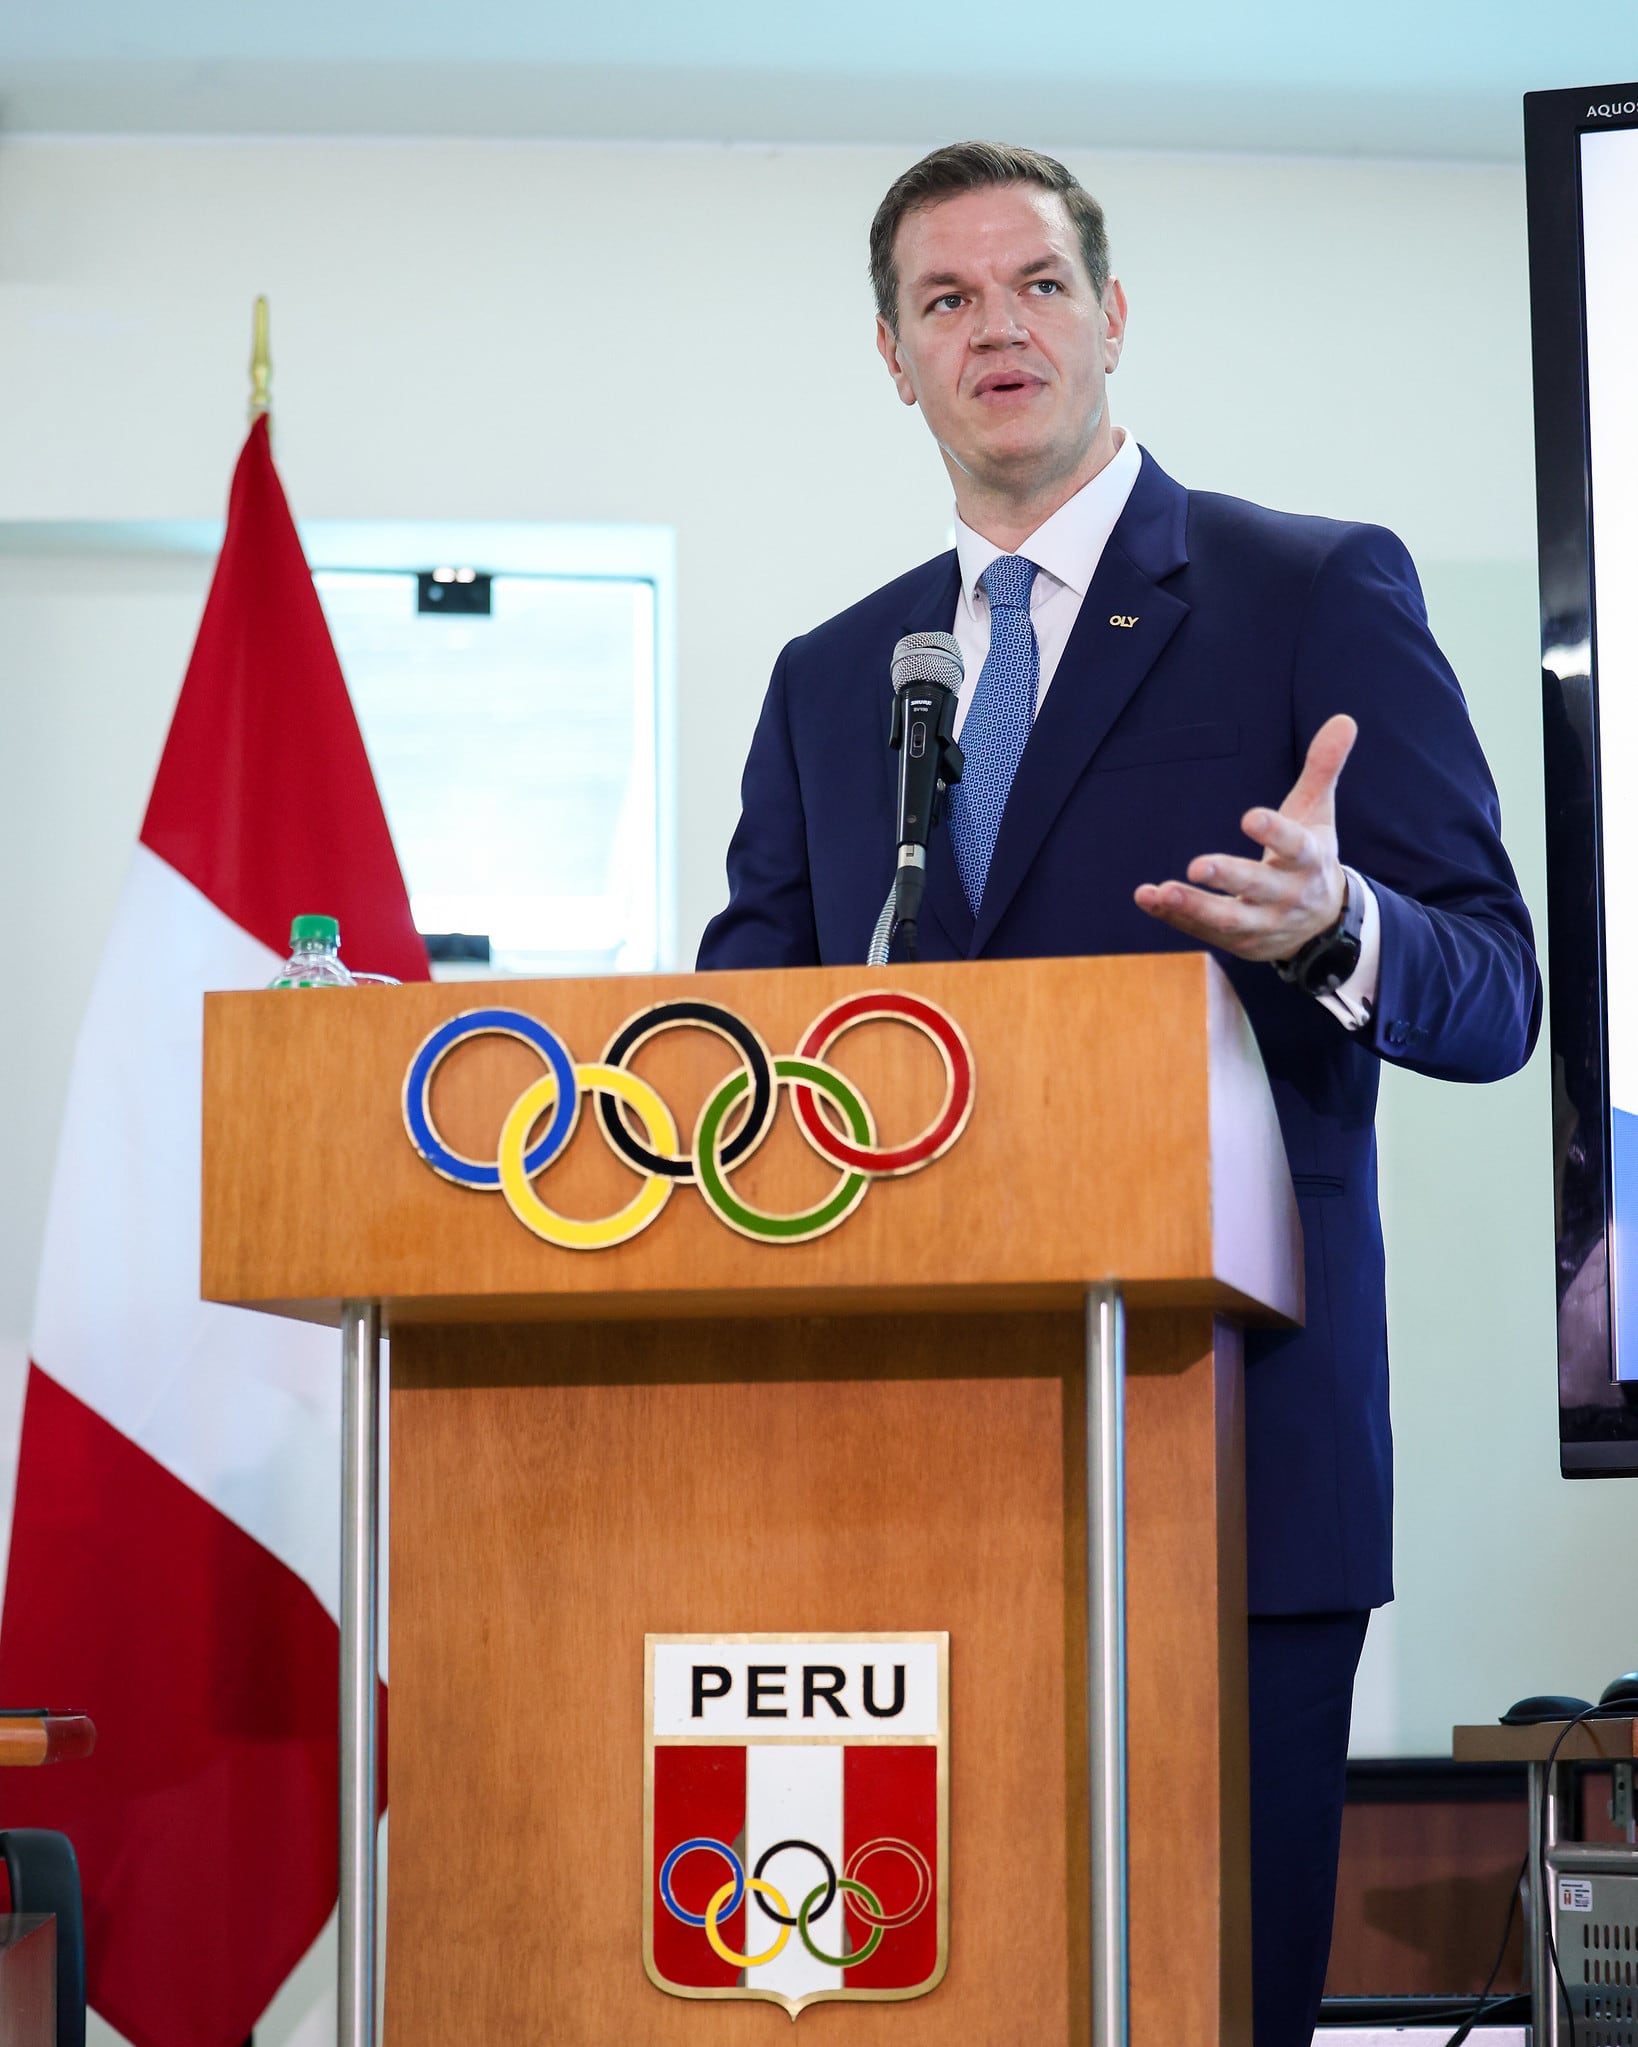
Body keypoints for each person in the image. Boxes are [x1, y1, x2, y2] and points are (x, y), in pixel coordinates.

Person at [696, 139, 1539, 2043]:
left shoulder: (1305, 589)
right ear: (894, 357)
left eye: (1037, 285)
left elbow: (1494, 991)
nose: (997, 327)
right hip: (896, 1468)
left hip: (1228, 1450)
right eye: (945, 299)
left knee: (1207, 1992)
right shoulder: (833, 678)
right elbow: (740, 1037)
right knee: (915, 1993)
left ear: (1110, 316)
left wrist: (1333, 928)